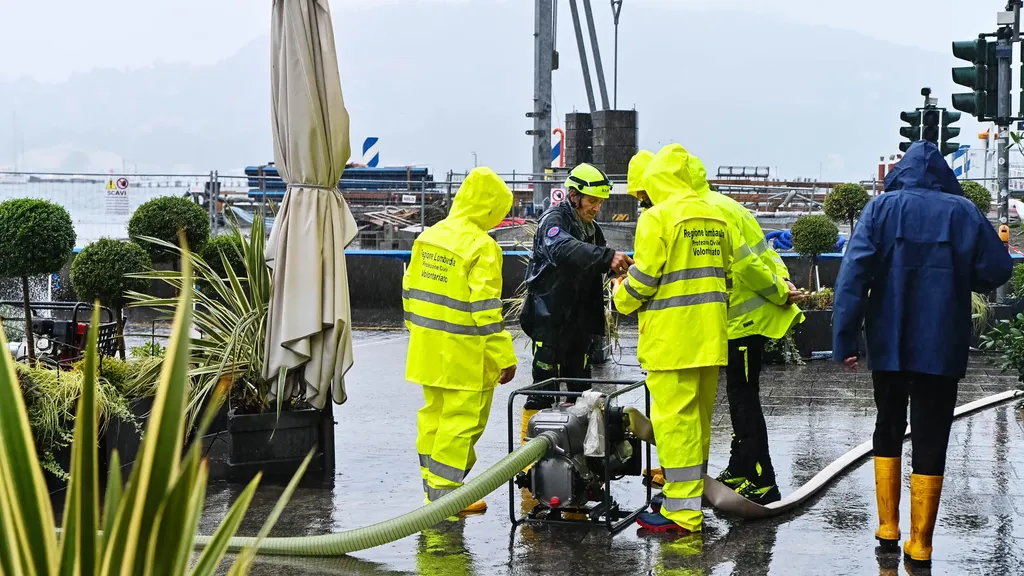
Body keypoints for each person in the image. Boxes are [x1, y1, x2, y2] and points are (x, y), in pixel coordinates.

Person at [832, 141, 1012, 566]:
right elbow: (997, 269)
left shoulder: (880, 210)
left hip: (889, 342)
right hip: (942, 342)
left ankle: (887, 527)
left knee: (888, 424)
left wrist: (844, 340)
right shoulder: (963, 212)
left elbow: (852, 277)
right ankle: (921, 543)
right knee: (932, 433)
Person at [613, 144, 791, 533]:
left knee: (675, 423)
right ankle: (687, 500)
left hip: (672, 341)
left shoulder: (658, 219)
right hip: (711, 338)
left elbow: (642, 282)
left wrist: (618, 293)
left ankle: (680, 511)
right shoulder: (715, 216)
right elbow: (735, 272)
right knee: (698, 422)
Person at [403, 166, 518, 514]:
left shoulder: (429, 236)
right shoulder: (482, 246)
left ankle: (433, 490)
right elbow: (485, 310)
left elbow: (409, 292)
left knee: (433, 419)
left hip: (426, 351)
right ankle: (446, 498)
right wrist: (504, 357)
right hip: (465, 357)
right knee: (461, 425)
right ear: (489, 207)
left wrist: (421, 335)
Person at [518, 163, 633, 441]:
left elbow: (593, 263)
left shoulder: (591, 229)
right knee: (543, 389)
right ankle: (528, 457)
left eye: (600, 202)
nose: (596, 208)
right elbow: (562, 249)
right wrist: (607, 257)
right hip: (550, 318)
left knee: (581, 390)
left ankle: (576, 451)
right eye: (592, 201)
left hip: (579, 322)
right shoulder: (553, 221)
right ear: (574, 195)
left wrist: (619, 270)